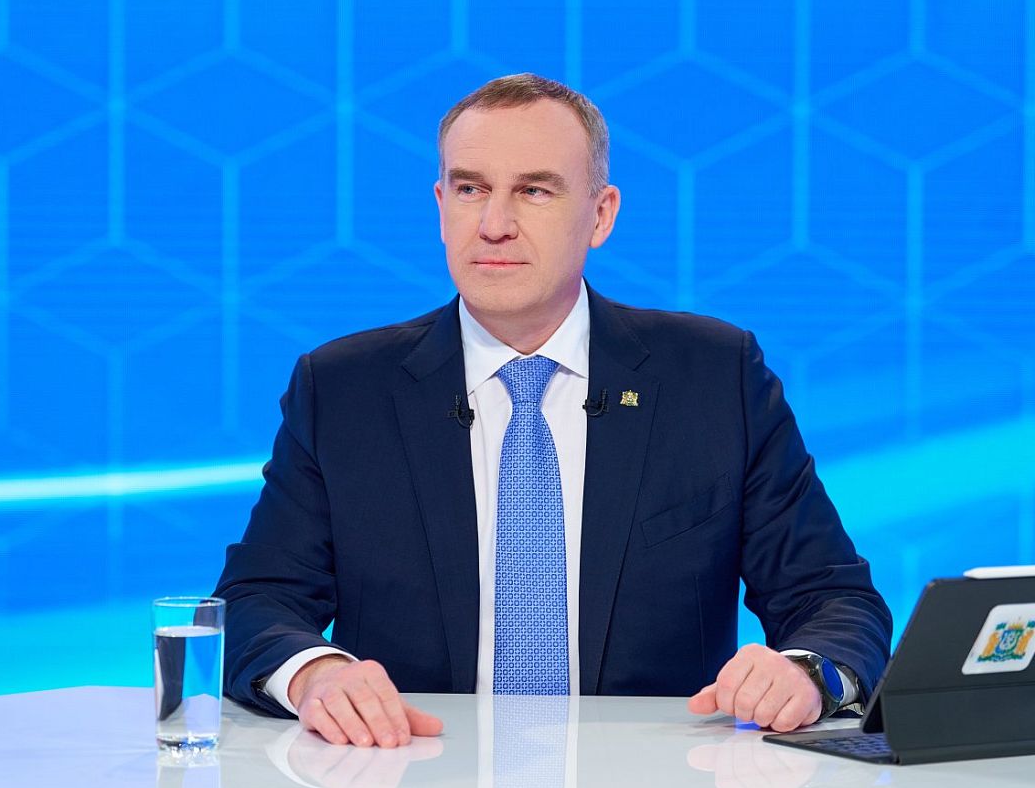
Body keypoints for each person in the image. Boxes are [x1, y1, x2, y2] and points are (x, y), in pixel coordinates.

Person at [214, 73, 892, 749]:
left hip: (656, 783)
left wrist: (804, 674)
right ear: (440, 205)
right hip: (408, 773)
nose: (494, 225)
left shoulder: (715, 378)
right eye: (470, 189)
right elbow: (257, 600)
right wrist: (316, 674)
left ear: (601, 215)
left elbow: (834, 600)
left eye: (534, 191)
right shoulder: (343, 389)